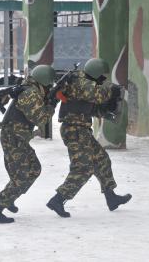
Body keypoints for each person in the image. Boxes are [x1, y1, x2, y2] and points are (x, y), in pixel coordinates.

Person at [46, 58, 132, 217]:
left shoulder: (83, 83)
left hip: (81, 129)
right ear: (96, 74)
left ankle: (111, 197)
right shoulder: (82, 83)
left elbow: (88, 108)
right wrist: (111, 90)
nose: (103, 80)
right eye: (102, 77)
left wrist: (106, 110)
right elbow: (98, 95)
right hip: (75, 131)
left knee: (101, 159)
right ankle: (58, 199)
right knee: (83, 168)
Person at [0, 65, 57, 224]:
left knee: (33, 169)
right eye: (49, 84)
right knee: (24, 174)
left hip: (17, 136)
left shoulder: (32, 90)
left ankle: (7, 198)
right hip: (14, 137)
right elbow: (41, 119)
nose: (50, 87)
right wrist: (52, 104)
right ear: (44, 81)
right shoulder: (30, 93)